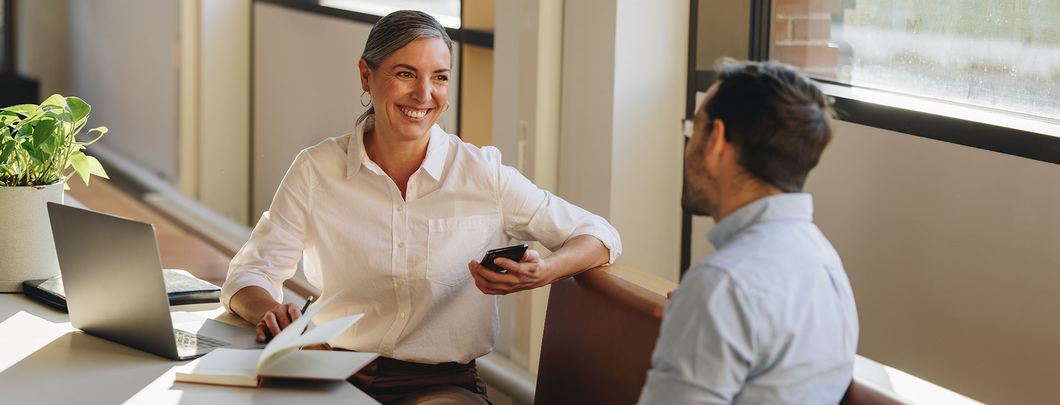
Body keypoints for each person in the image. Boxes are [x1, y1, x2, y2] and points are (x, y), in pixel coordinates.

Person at [221, 10, 622, 405]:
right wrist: (271, 312)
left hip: (439, 386)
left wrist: (543, 273)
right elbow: (249, 273)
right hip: (330, 373)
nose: (424, 94)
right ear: (366, 75)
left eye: (440, 77)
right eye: (405, 73)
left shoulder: (483, 175)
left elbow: (599, 235)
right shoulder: (316, 170)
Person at [637, 59, 858, 405]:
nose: (688, 145)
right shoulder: (829, 270)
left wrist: (705, 306)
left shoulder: (722, 286)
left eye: (694, 127)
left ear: (716, 141)